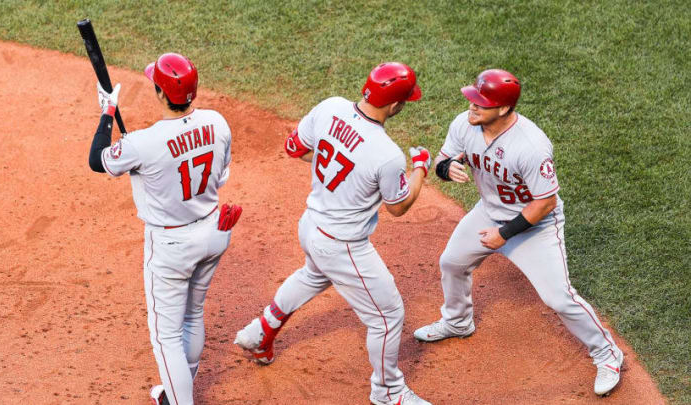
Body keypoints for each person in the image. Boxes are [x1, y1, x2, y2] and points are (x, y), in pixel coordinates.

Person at [413, 69, 624, 396]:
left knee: (558, 297)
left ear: (503, 109)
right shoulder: (465, 124)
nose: (472, 107)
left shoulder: (531, 145)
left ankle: (607, 352)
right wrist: (445, 168)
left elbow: (545, 202)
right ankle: (457, 322)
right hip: (488, 212)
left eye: (480, 104)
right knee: (452, 263)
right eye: (472, 100)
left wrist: (504, 234)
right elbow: (444, 157)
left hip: (535, 227)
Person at [234, 62, 433, 405]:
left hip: (311, 224)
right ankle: (388, 392)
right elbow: (398, 207)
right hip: (342, 245)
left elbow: (294, 147)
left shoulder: (330, 107)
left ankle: (260, 334)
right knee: (388, 316)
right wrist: (420, 168)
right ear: (395, 105)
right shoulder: (387, 155)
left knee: (312, 275)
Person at [88, 53, 242, 405]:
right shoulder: (217, 123)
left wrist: (107, 113)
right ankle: (176, 394)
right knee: (193, 313)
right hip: (214, 230)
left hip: (173, 245)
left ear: (160, 93)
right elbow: (220, 177)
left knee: (165, 336)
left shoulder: (144, 143)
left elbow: (97, 159)